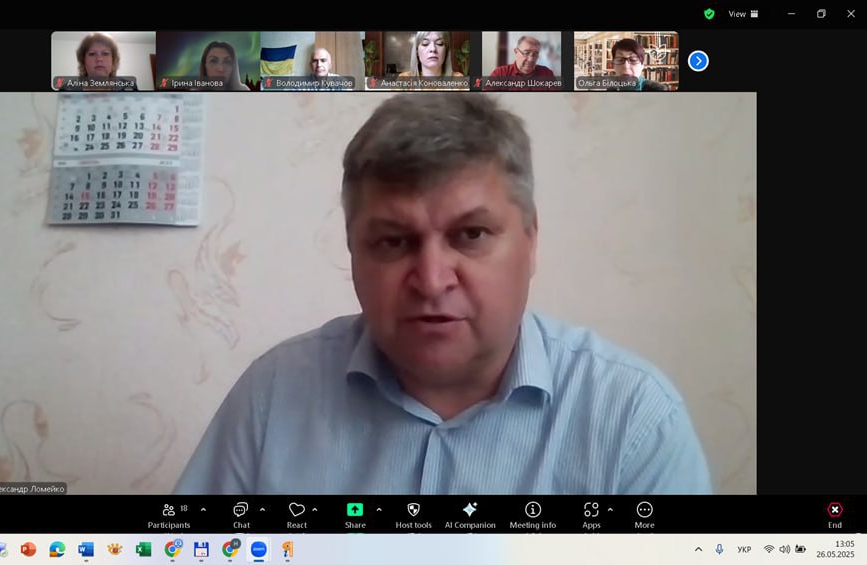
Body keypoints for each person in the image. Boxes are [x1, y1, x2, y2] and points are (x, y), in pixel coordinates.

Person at [174, 93, 712, 495]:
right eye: (393, 241)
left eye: (470, 235)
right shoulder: (272, 397)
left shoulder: (633, 420)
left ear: (530, 241)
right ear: (353, 251)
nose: (432, 281)